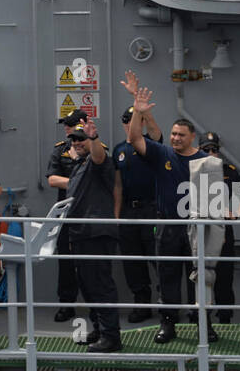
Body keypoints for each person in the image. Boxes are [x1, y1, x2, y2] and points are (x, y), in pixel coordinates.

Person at [128, 86, 211, 343]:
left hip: (197, 227)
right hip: (168, 226)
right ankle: (168, 324)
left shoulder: (207, 161)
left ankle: (204, 325)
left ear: (192, 137)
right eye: (173, 134)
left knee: (199, 278)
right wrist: (137, 112)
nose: (175, 138)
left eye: (180, 135)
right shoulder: (161, 154)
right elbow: (134, 139)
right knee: (167, 276)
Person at [62, 118, 123, 353]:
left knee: (100, 284)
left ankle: (111, 337)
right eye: (74, 139)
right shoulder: (79, 164)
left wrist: (94, 138)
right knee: (87, 285)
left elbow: (99, 157)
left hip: (96, 234)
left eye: (81, 138)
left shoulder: (98, 160)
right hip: (80, 234)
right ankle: (99, 329)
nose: (77, 142)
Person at [113, 71, 162, 323]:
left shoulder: (152, 146)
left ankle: (167, 306)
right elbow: (118, 185)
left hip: (152, 210)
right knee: (133, 261)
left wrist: (139, 103)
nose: (129, 123)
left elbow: (155, 132)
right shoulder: (119, 151)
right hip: (130, 213)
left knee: (158, 259)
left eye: (134, 119)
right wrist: (116, 217)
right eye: (126, 120)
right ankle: (142, 304)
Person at [198, 131, 240, 324]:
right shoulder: (191, 170)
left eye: (214, 150)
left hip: (222, 229)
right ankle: (200, 319)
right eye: (206, 149)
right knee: (198, 275)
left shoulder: (229, 171)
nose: (211, 153)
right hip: (199, 231)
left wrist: (235, 213)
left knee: (224, 276)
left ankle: (225, 318)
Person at [46, 108, 91, 322]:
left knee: (91, 263)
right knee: (65, 260)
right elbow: (52, 179)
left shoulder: (95, 147)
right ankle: (66, 304)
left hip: (89, 215)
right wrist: (78, 183)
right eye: (66, 124)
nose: (67, 128)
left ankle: (95, 306)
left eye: (71, 123)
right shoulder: (60, 150)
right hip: (65, 215)